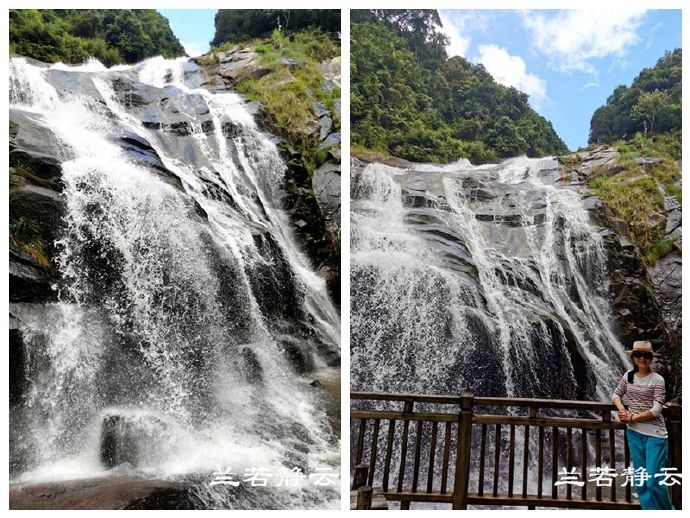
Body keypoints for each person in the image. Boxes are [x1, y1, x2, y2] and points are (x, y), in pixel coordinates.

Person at [612, 340, 674, 510]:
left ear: (650, 357)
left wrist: (632, 417)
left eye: (646, 355)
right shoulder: (628, 376)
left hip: (655, 434)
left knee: (654, 480)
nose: (642, 358)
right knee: (641, 481)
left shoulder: (657, 380)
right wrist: (622, 409)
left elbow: (656, 410)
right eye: (638, 355)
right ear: (633, 357)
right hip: (634, 433)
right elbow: (616, 394)